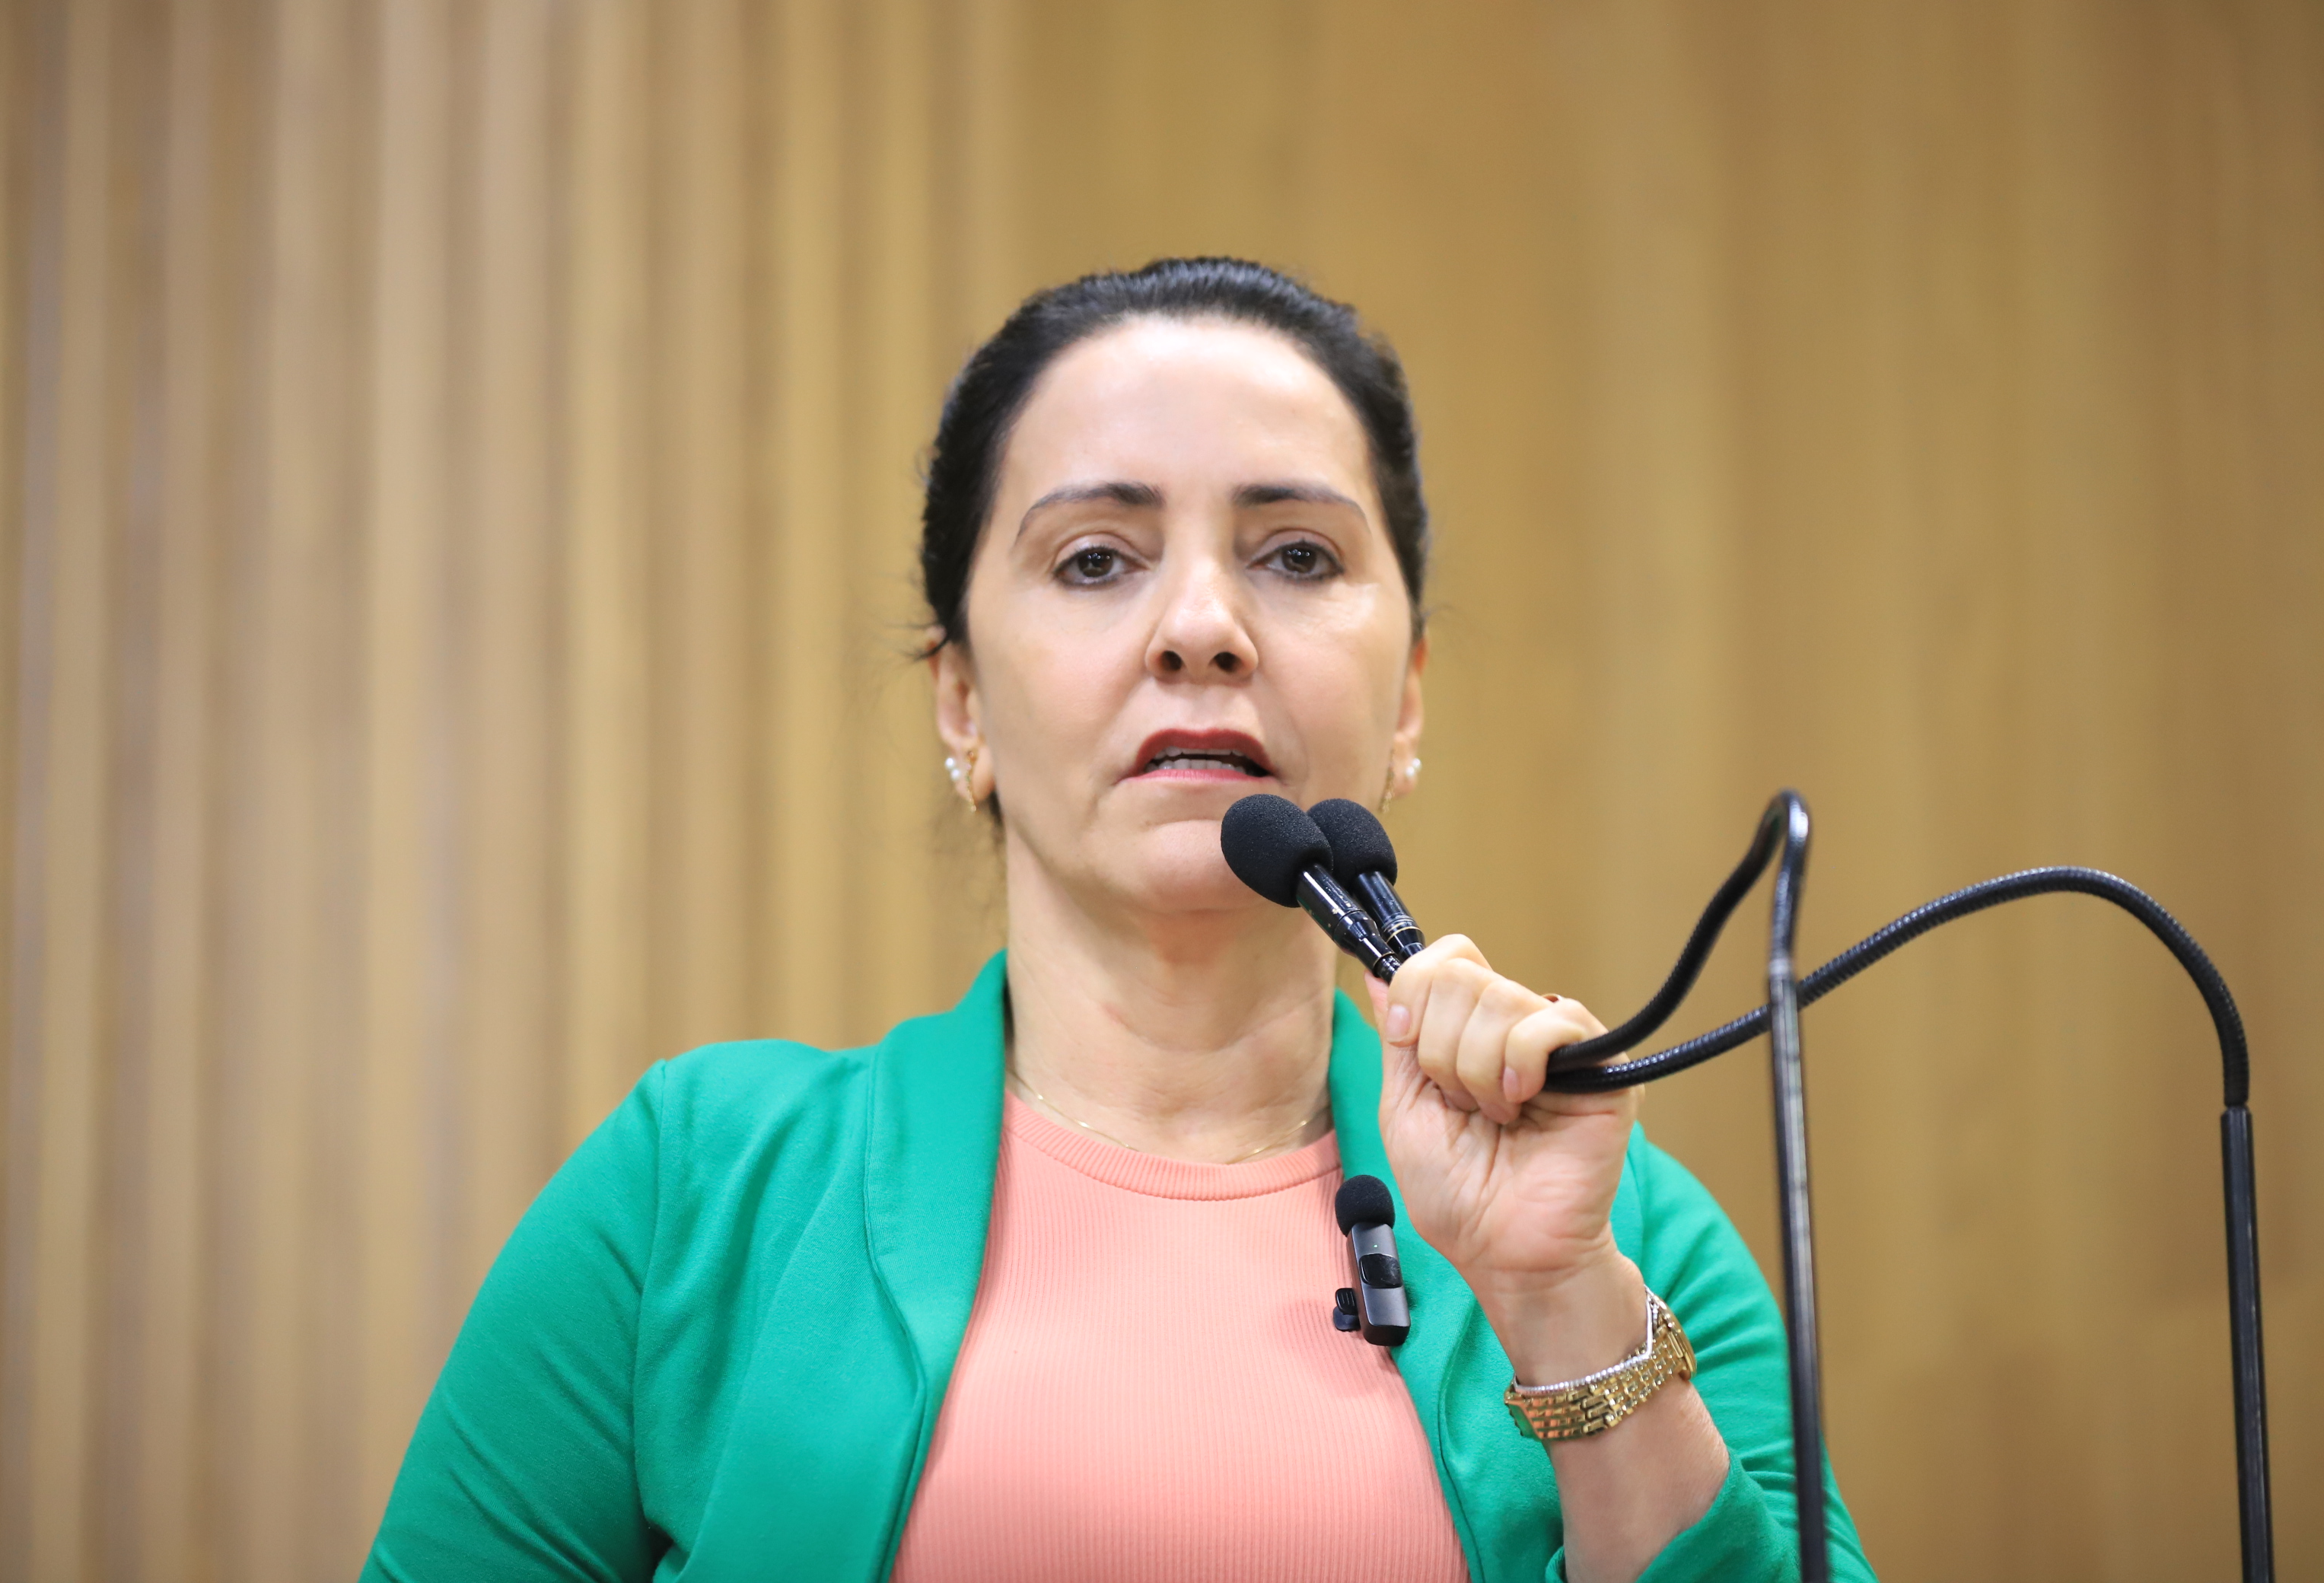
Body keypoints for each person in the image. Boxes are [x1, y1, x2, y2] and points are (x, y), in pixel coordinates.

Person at [361, 258, 1874, 1583]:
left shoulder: (1623, 1232)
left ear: (1407, 698)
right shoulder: (697, 1187)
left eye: (1297, 555)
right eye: (1096, 558)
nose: (1201, 627)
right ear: (962, 702)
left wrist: (1562, 1302)